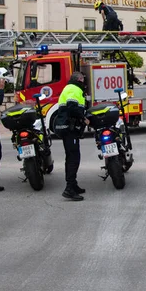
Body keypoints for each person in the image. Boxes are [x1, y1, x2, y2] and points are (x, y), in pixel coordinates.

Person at [54, 72, 90, 201]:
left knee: (71, 156)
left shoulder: (69, 88)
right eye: (82, 79)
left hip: (68, 128)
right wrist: (83, 118)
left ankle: (73, 185)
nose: (83, 81)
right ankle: (69, 188)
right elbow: (72, 107)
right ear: (78, 79)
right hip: (70, 128)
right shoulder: (74, 89)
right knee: (73, 158)